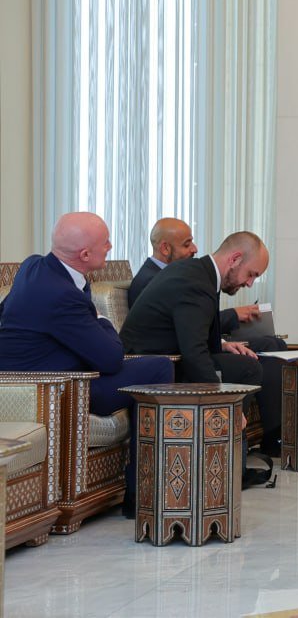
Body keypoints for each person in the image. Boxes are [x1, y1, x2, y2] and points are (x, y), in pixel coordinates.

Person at [0, 212, 174, 515]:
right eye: (105, 242)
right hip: (60, 391)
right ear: (84, 254)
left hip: (37, 379)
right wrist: (100, 318)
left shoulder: (33, 266)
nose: (110, 246)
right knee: (159, 367)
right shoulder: (63, 295)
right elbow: (111, 358)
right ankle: (141, 492)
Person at [120, 231, 285, 456]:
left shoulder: (200, 273)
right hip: (154, 369)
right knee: (247, 368)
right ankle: (226, 452)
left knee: (250, 357)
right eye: (250, 274)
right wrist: (226, 407)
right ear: (235, 259)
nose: (250, 283)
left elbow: (193, 333)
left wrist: (222, 344)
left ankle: (234, 448)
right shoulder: (195, 282)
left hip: (171, 357)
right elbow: (194, 353)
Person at [128, 218, 284, 352]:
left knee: (274, 343)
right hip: (176, 357)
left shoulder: (183, 277)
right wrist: (233, 315)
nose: (195, 249)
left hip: (200, 344)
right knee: (264, 350)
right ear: (165, 248)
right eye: (187, 244)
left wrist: (221, 342)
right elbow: (183, 326)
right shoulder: (150, 281)